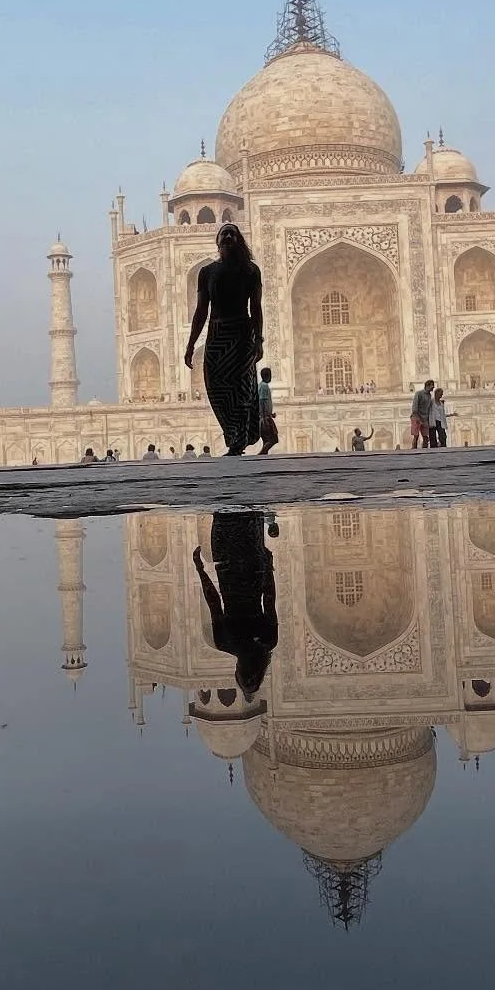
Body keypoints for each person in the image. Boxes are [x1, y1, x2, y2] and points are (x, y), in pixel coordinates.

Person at [185, 221, 264, 456]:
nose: (228, 236)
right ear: (217, 241)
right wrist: (190, 345)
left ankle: (237, 442)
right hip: (217, 334)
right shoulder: (207, 272)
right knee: (217, 387)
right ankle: (233, 434)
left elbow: (256, 307)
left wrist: (259, 339)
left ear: (238, 239)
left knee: (241, 388)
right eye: (224, 233)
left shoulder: (250, 270)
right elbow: (201, 311)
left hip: (241, 332)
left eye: (232, 233)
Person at [192, 513, 279, 703]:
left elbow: (269, 598)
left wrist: (267, 566)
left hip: (252, 566)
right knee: (224, 511)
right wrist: (201, 570)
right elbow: (214, 602)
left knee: (250, 510)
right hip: (226, 565)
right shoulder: (224, 643)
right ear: (237, 671)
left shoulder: (268, 642)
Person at [257, 366, 279, 455]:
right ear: (267, 376)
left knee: (266, 440)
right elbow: (262, 401)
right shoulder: (264, 386)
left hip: (264, 416)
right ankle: (261, 455)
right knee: (273, 439)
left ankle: (263, 456)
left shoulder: (261, 385)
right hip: (265, 417)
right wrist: (266, 417)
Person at [410, 380, 435, 449]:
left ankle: (424, 452)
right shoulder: (419, 393)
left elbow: (429, 407)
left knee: (425, 436)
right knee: (416, 436)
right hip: (416, 417)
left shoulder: (429, 395)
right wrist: (416, 417)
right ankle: (414, 451)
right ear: (427, 386)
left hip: (425, 418)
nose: (433, 387)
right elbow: (415, 405)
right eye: (432, 386)